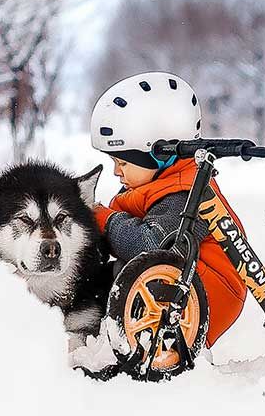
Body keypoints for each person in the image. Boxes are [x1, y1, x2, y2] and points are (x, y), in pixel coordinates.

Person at [90, 71, 247, 351]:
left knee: (119, 275)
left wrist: (106, 221)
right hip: (173, 279)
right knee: (97, 280)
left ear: (159, 155)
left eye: (123, 163)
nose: (116, 171)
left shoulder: (185, 194)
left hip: (206, 292)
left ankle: (133, 344)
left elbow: (150, 245)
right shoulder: (158, 183)